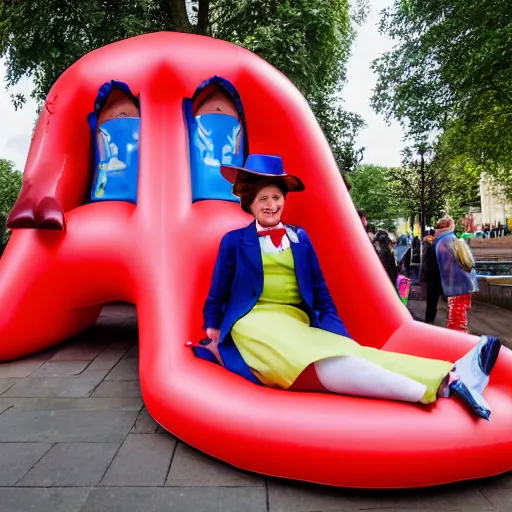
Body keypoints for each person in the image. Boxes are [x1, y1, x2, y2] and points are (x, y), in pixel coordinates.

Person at [191, 154, 501, 420]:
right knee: (317, 358)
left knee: (351, 353)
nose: (271, 205)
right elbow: (218, 291)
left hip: (293, 321)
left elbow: (320, 291)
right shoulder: (233, 241)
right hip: (252, 322)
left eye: (276, 197)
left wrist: (340, 337)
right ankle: (431, 387)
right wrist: (213, 331)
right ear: (250, 204)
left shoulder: (301, 239)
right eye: (263, 199)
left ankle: (452, 375)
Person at [434, 216, 479, 333]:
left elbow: (444, 268)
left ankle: (460, 345)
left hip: (456, 288)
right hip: (465, 284)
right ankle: (459, 342)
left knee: (456, 321)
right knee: (458, 318)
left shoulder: (442, 242)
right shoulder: (452, 239)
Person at [421, 229, 443, 324]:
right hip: (434, 277)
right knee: (432, 300)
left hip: (430, 277)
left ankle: (429, 319)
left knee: (431, 300)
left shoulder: (427, 245)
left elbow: (426, 264)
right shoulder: (433, 245)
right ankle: (430, 319)